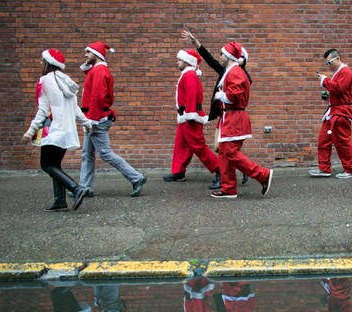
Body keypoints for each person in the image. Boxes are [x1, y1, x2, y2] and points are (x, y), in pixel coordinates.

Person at [22, 49, 91, 212]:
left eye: (42, 60)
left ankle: (76, 188)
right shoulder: (67, 80)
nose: (40, 63)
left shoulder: (45, 81)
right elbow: (75, 108)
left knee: (46, 165)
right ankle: (60, 201)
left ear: (48, 63)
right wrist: (86, 123)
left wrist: (31, 131)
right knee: (55, 165)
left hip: (53, 130)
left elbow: (43, 110)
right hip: (67, 131)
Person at [180, 29, 250, 189]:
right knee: (219, 147)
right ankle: (236, 171)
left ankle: (227, 175)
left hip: (232, 116)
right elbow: (210, 60)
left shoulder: (241, 75)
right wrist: (195, 41)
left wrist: (241, 64)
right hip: (222, 115)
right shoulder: (225, 71)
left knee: (222, 148)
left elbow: (238, 92)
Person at [78, 41, 147, 197]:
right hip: (95, 117)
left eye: (88, 52)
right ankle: (84, 187)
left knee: (105, 153)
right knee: (87, 153)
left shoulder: (100, 71)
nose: (85, 55)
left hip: (97, 119)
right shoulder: (98, 71)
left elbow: (97, 97)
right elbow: (92, 88)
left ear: (96, 54)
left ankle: (136, 178)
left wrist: (91, 120)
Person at [210, 41, 273, 199]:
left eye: (222, 53)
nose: (220, 56)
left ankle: (262, 174)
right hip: (231, 116)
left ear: (229, 56)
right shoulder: (232, 71)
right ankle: (229, 188)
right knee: (225, 153)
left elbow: (234, 96)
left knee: (230, 152)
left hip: (234, 117)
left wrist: (220, 96)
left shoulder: (235, 72)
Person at [162, 49, 219, 187]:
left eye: (179, 60)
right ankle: (178, 172)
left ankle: (221, 170)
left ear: (187, 61)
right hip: (185, 116)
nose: (177, 62)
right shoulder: (188, 75)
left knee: (199, 147)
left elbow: (192, 96)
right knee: (181, 145)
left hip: (189, 116)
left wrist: (190, 114)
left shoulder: (189, 76)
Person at [308, 49, 352, 179]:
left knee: (342, 142)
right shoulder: (338, 73)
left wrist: (325, 81)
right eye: (327, 63)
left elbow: (339, 88)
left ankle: (350, 169)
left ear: (338, 59)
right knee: (323, 141)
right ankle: (324, 169)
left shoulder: (346, 72)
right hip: (333, 112)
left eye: (329, 62)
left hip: (340, 112)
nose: (328, 65)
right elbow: (337, 89)